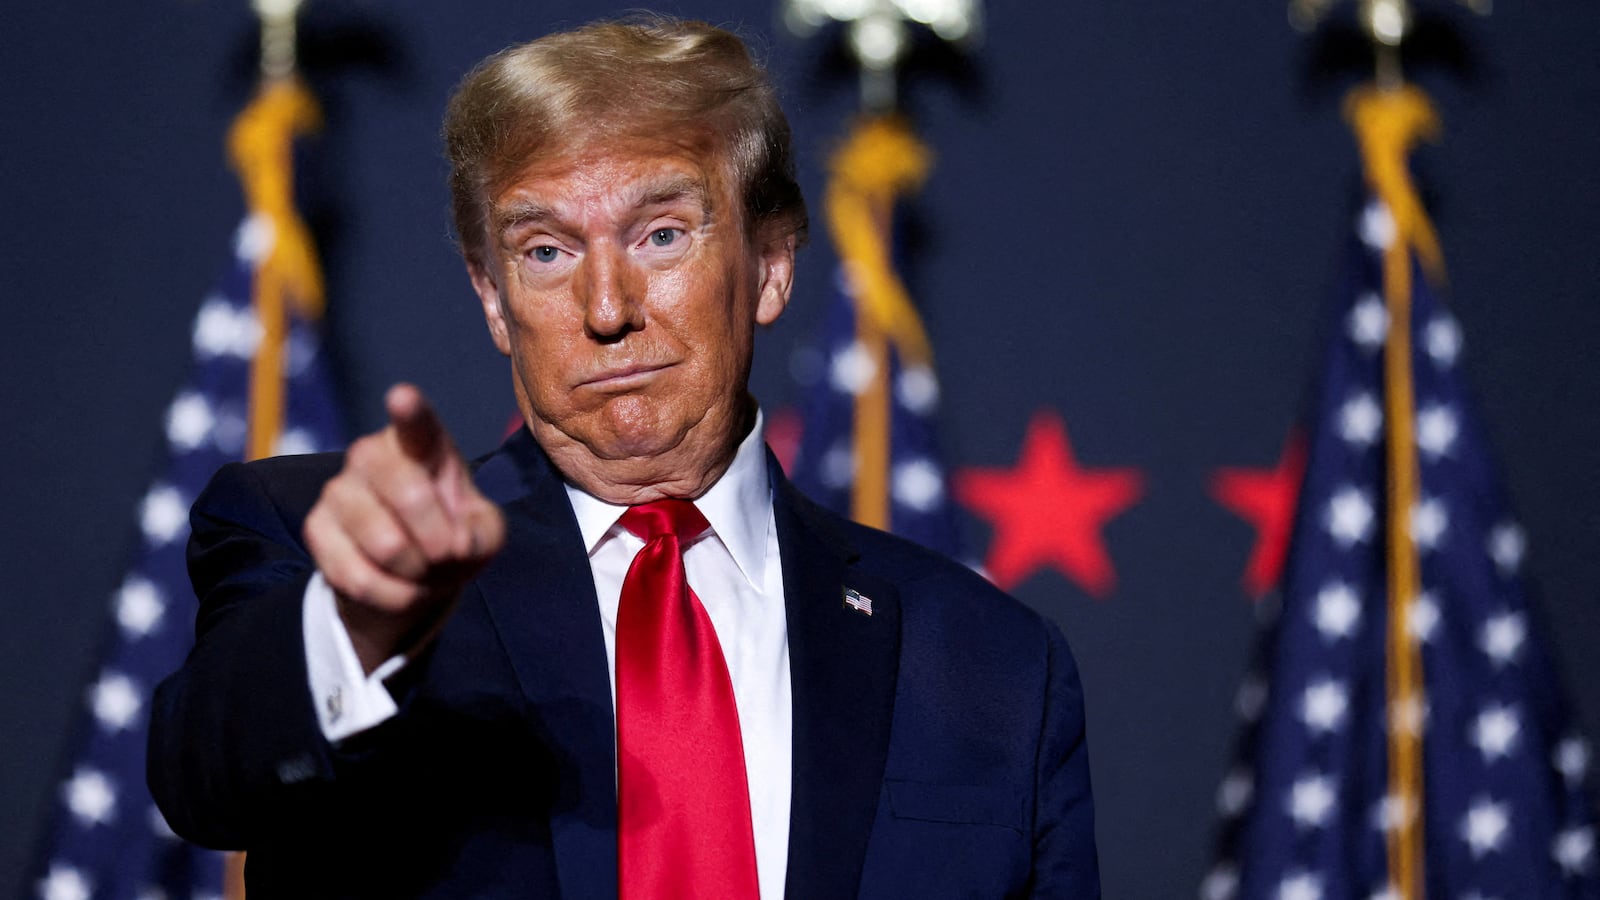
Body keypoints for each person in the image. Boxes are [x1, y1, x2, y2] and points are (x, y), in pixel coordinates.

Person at [149, 16, 1099, 899]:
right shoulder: (326, 553)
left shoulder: (993, 666)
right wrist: (356, 622)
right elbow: (204, 777)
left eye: (662, 235)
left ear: (772, 263)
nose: (608, 307)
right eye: (547, 251)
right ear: (491, 298)